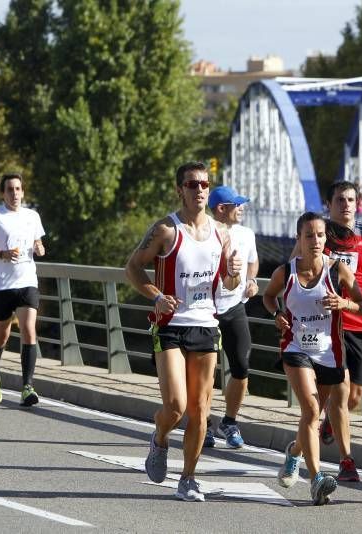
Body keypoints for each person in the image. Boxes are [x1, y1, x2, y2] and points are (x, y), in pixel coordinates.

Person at [125, 161, 242, 502]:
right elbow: (132, 268)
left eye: (205, 184)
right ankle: (160, 438)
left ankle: (188, 479)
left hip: (206, 324)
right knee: (176, 407)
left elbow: (228, 283)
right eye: (192, 184)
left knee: (201, 410)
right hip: (171, 327)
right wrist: (158, 296)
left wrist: (234, 272)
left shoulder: (223, 233)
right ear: (180, 189)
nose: (200, 190)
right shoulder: (166, 230)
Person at [264, 211, 362, 505]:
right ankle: (318, 478)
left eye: (320, 235)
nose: (315, 241)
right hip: (296, 349)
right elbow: (268, 296)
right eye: (309, 235)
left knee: (313, 416)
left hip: (329, 353)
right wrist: (277, 315)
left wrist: (343, 302)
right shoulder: (286, 272)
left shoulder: (337, 271)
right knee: (310, 411)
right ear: (299, 238)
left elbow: (361, 304)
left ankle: (294, 453)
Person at [306, 180, 362, 482]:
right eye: (339, 200)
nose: (345, 205)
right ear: (329, 205)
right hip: (331, 323)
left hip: (361, 320)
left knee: (356, 395)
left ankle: (330, 424)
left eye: (350, 200)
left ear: (357, 204)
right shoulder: (319, 235)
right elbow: (297, 265)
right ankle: (347, 461)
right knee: (342, 393)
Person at [0, 173, 46, 406]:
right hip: (1, 286)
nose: (15, 193)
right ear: (3, 193)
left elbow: (37, 241)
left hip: (27, 282)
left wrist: (39, 246)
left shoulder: (32, 216)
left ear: (23, 192)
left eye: (18, 189)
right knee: (2, 336)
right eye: (10, 189)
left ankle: (28, 387)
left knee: (28, 330)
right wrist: (1, 254)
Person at [204, 185, 259, 449]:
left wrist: (251, 280)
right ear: (221, 209)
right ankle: (203, 424)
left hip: (235, 307)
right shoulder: (205, 232)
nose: (242, 208)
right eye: (237, 204)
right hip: (207, 311)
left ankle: (229, 421)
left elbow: (253, 261)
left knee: (242, 366)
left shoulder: (247, 233)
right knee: (206, 374)